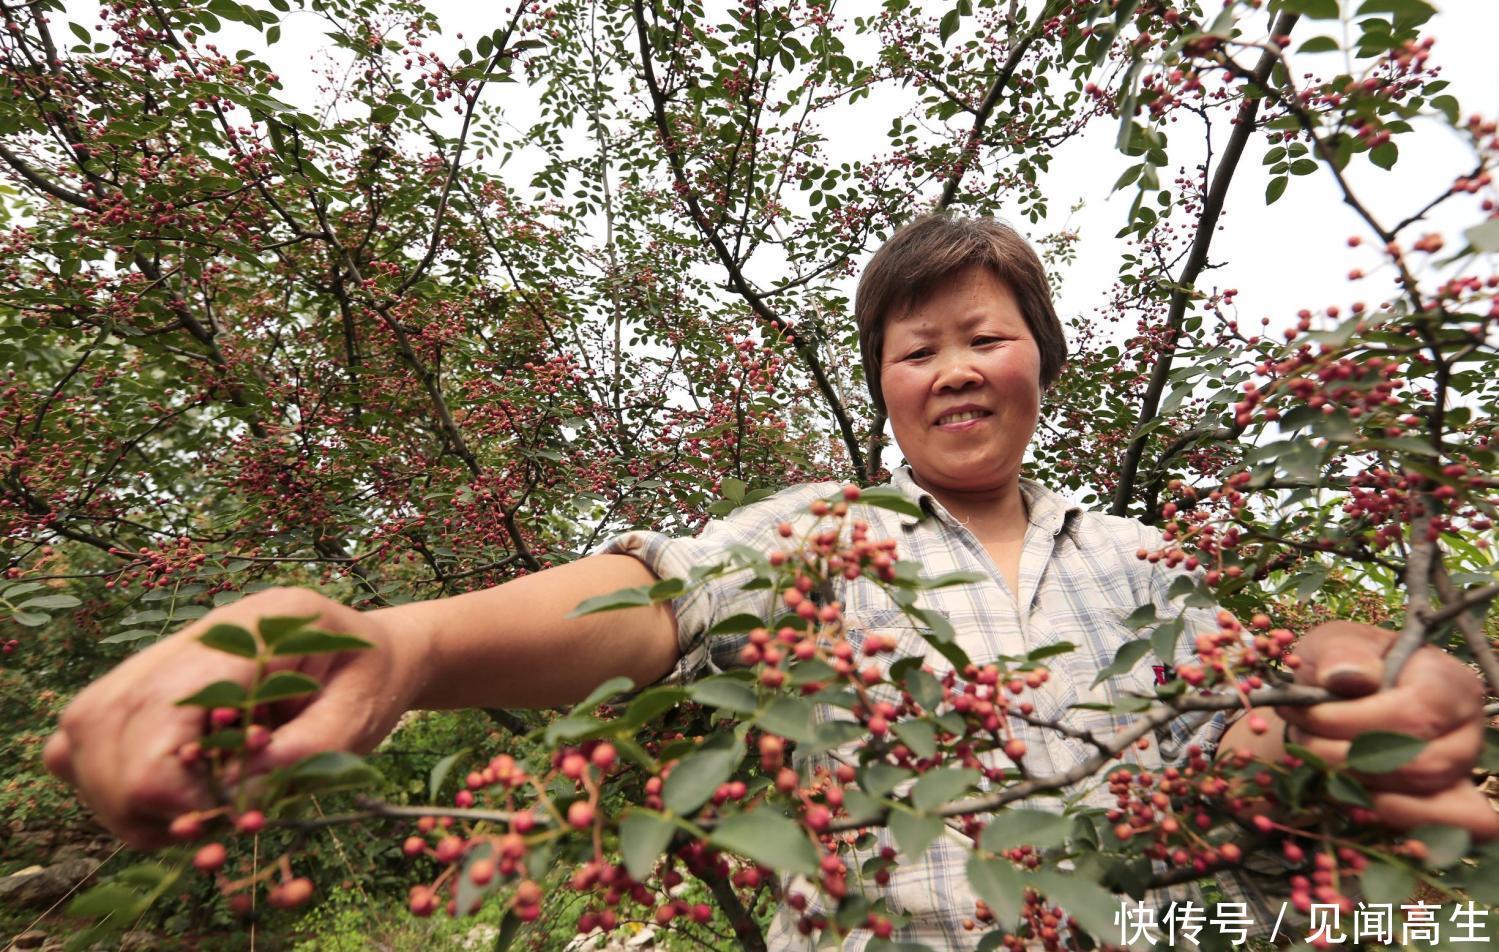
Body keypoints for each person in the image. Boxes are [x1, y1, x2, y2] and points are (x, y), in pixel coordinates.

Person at [45, 215, 1496, 948]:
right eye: (913, 349)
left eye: (981, 335)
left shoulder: (1146, 558)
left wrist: (1366, 678)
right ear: (883, 387)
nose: (951, 370)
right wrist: (399, 640)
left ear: (1041, 358)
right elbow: (641, 596)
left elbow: (1268, 710)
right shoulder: (816, 537)